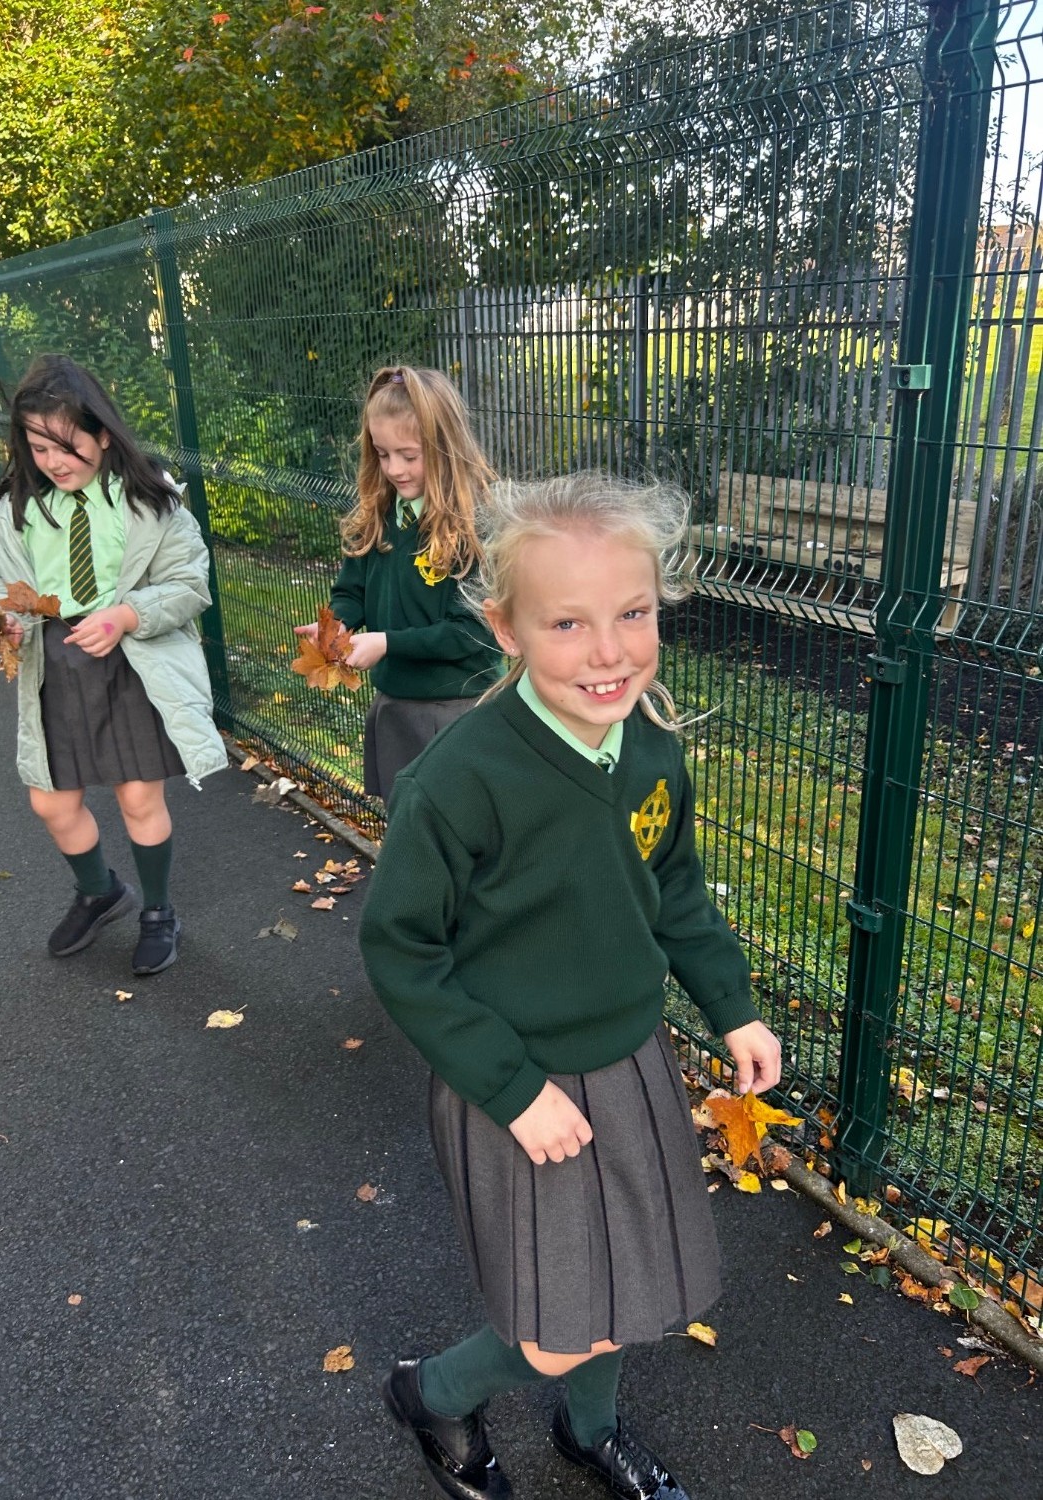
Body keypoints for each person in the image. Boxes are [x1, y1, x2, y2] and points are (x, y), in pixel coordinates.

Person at [359, 472, 783, 1500]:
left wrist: (731, 1006)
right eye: (567, 623)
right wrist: (512, 1090)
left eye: (632, 614)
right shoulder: (459, 780)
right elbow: (401, 948)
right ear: (505, 628)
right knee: (558, 1326)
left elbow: (671, 889)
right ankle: (433, 1394)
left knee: (626, 1284)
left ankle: (589, 1430)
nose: (609, 651)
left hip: (628, 1062)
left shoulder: (651, 746)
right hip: (519, 1084)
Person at [0, 354, 226, 976]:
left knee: (138, 797)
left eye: (66, 446)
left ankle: (158, 911)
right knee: (52, 804)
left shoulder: (152, 503)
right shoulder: (16, 512)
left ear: (103, 434)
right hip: (54, 670)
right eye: (38, 448)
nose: (53, 462)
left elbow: (189, 584)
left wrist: (128, 615)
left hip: (130, 664)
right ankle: (100, 891)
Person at [296, 365, 501, 804]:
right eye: (382, 454)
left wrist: (387, 643)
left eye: (409, 456)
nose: (394, 469)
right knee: (405, 827)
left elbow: (473, 633)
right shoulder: (379, 517)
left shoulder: (475, 529)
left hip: (458, 709)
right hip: (395, 705)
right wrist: (337, 626)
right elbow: (351, 591)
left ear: (445, 447)